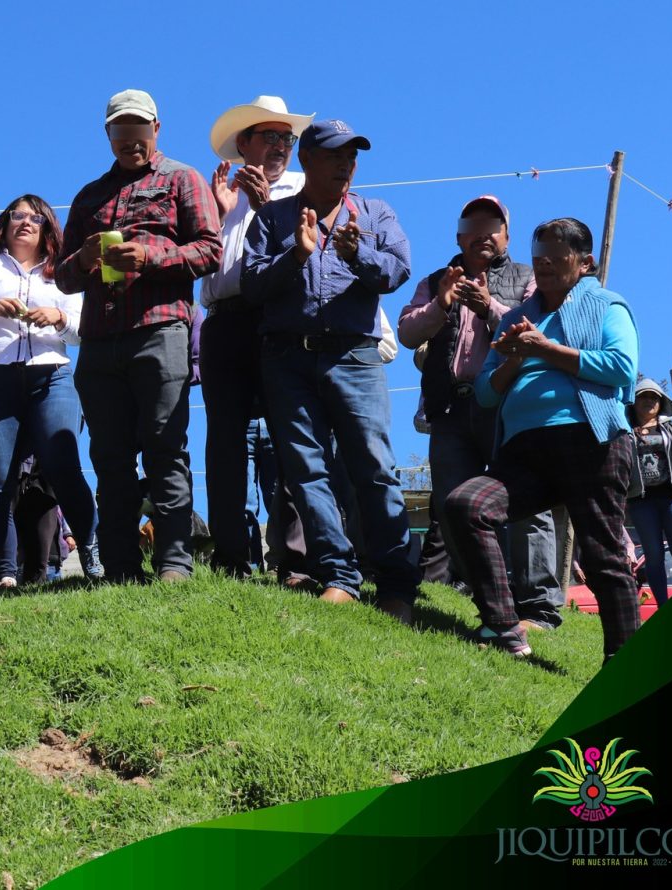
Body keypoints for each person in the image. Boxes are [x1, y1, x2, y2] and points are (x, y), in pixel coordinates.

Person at [242, 119, 418, 623]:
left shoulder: (376, 213)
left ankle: (396, 584)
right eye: (335, 155)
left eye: (352, 156)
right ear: (307, 160)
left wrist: (355, 252)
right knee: (305, 470)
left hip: (355, 355)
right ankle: (339, 576)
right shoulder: (273, 219)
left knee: (374, 466)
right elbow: (251, 285)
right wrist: (296, 255)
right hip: (287, 358)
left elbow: (397, 270)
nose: (346, 164)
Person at [445, 218, 641, 660]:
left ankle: (624, 664)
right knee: (467, 505)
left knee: (602, 555)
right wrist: (514, 358)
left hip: (589, 439)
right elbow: (485, 393)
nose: (545, 263)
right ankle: (503, 628)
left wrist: (543, 349)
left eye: (557, 256)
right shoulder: (515, 319)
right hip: (524, 452)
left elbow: (621, 368)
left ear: (585, 262)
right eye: (539, 257)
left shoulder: (608, 305)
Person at [54, 90, 222, 582]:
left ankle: (174, 562)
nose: (130, 142)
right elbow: (62, 277)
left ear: (156, 128)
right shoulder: (89, 196)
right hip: (101, 339)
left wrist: (151, 258)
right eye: (120, 133)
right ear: (108, 134)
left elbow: (210, 251)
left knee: (165, 446)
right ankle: (122, 566)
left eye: (138, 132)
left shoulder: (183, 179)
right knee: (109, 457)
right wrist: (84, 260)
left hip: (161, 330)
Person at [397, 195, 561, 630]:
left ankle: (539, 608)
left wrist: (489, 307)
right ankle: (491, 599)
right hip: (450, 408)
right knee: (453, 507)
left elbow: (538, 331)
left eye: (494, 224)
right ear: (458, 235)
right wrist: (442, 304)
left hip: (512, 407)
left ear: (507, 235)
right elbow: (408, 334)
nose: (484, 232)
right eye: (474, 224)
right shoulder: (436, 280)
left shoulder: (529, 278)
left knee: (526, 504)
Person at [199, 95, 313, 581]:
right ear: (242, 143)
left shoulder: (304, 187)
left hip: (278, 318)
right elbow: (205, 262)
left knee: (292, 437)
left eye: (287, 138)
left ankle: (294, 558)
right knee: (224, 441)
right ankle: (231, 556)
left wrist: (266, 205)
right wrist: (219, 212)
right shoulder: (215, 191)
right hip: (224, 319)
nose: (280, 147)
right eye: (270, 137)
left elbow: (311, 258)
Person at [0, 194, 91, 587]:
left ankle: (94, 555)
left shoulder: (61, 274)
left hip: (51, 375)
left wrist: (60, 317)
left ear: (47, 226)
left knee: (63, 467)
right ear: (5, 223)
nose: (25, 222)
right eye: (17, 215)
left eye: (35, 217)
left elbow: (82, 329)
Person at [625, 377, 672, 607]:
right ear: (634, 402)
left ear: (661, 403)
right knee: (653, 555)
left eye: (654, 397)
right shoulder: (625, 432)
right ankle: (663, 608)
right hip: (640, 500)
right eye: (643, 396)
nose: (648, 400)